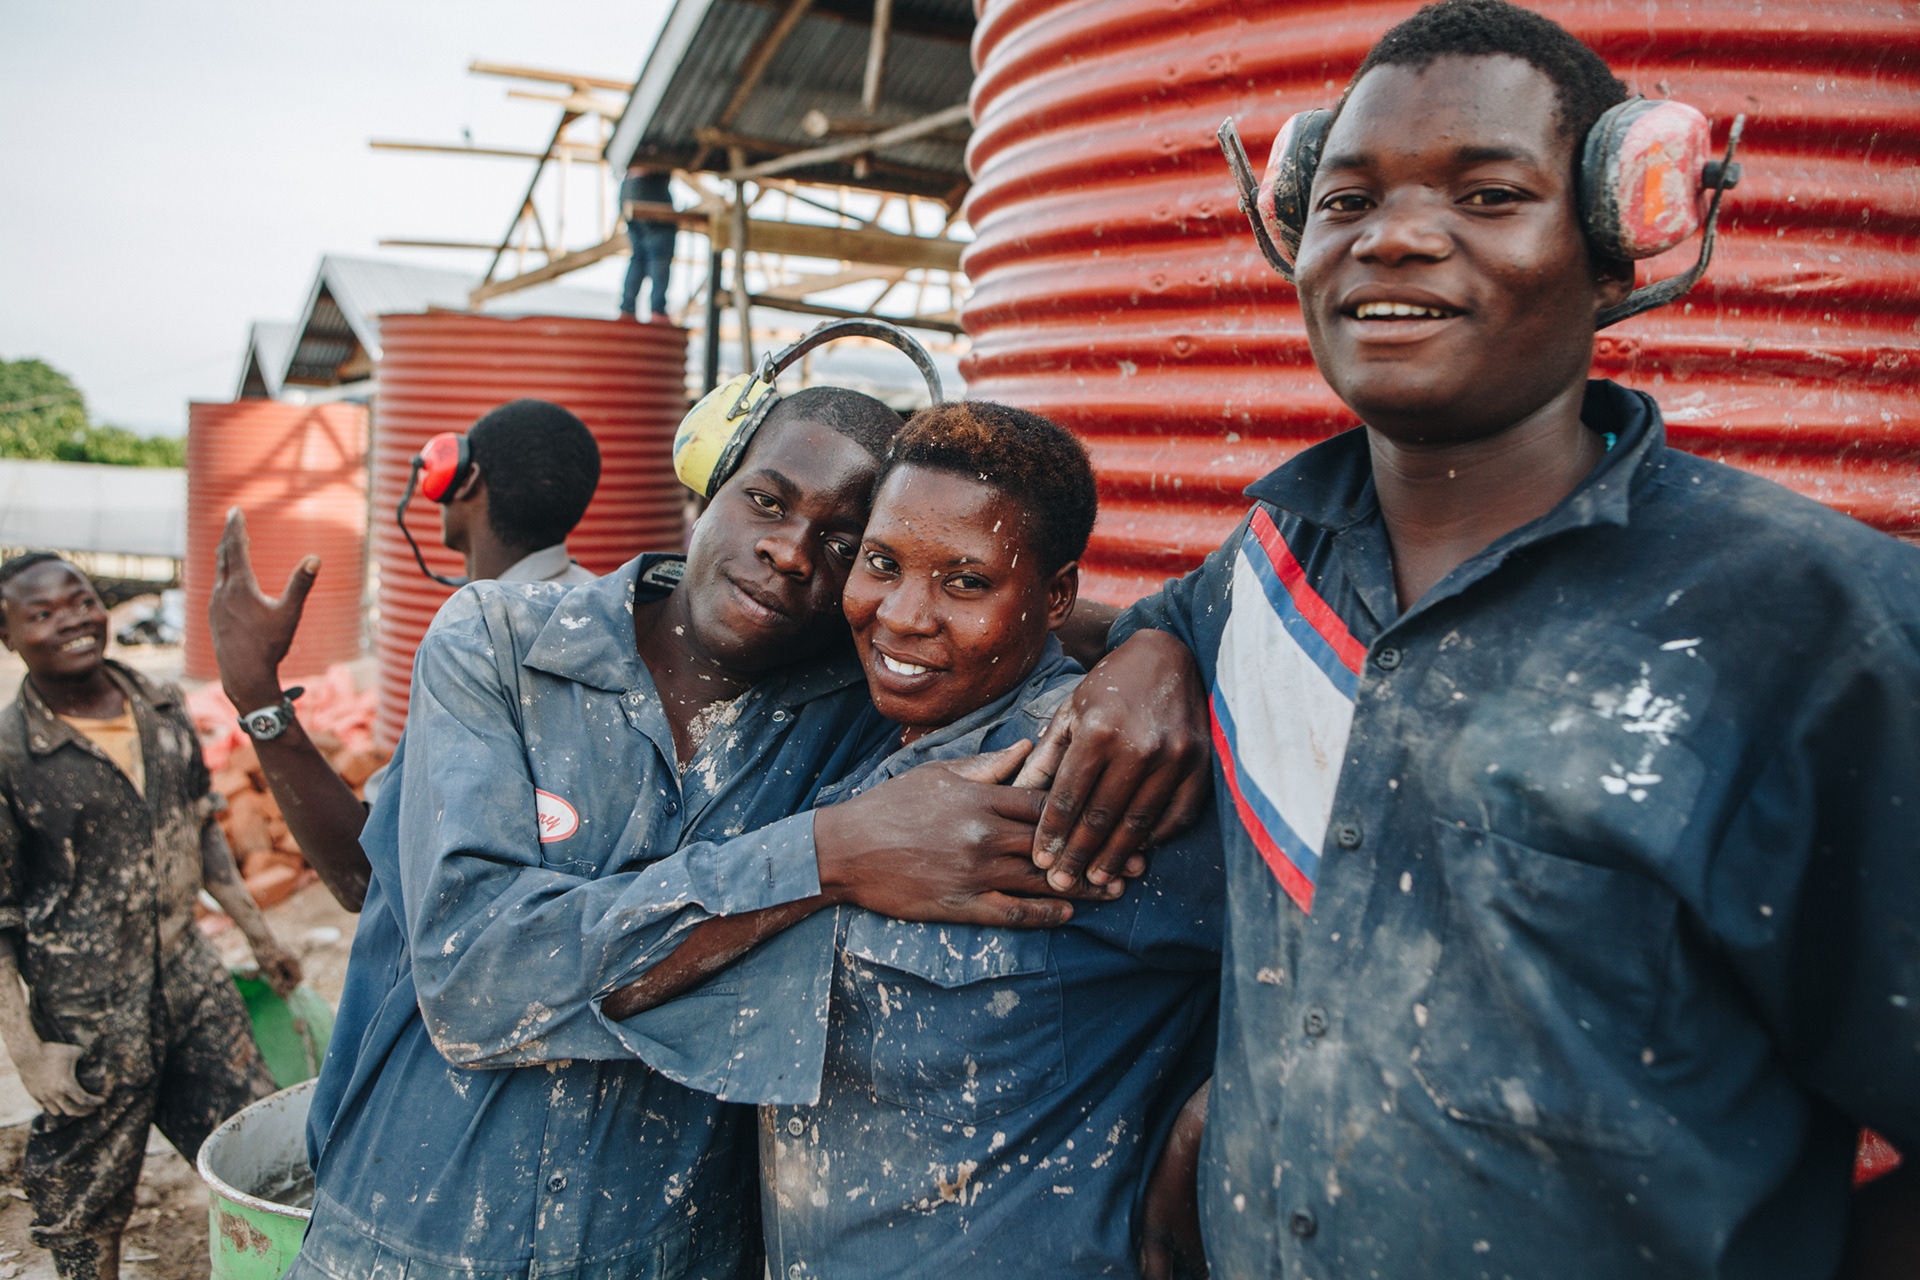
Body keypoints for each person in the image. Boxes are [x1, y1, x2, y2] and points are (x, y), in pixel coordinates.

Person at [1028, 2, 1920, 1276]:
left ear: (1618, 236)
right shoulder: (1277, 567)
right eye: (1346, 200)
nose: (1392, 236)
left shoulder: (1815, 630)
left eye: (1491, 194)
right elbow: (1184, 613)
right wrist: (1149, 649)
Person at [286, 387, 1128, 1280]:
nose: (790, 551)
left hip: (673, 1255)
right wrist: (832, 854)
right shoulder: (498, 643)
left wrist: (1153, 649)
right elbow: (478, 975)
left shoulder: (869, 693)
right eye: (766, 500)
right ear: (706, 489)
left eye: (846, 543)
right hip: (414, 1239)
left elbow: (996, 588)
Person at [610, 401, 1225, 1276]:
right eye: (882, 562)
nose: (902, 616)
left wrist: (1200, 1145)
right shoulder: (860, 736)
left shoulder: (1090, 784)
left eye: (965, 583)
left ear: (1055, 596)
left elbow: (1327, 967)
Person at [0, 553, 295, 1280]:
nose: (71, 619)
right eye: (41, 614)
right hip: (89, 1014)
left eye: (82, 600)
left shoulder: (161, 705)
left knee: (260, 1155)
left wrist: (259, 936)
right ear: (8, 637)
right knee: (83, 1204)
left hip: (193, 981)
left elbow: (201, 828)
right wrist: (29, 1049)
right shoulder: (12, 755)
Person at [207, 396, 603, 912]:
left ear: (463, 479)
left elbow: (364, 872)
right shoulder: (608, 610)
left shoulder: (470, 639)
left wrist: (255, 687)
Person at [620, 153, 678, 324]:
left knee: (639, 257)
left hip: (628, 191)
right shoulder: (661, 142)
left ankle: (627, 309)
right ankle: (658, 310)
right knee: (659, 255)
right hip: (649, 194)